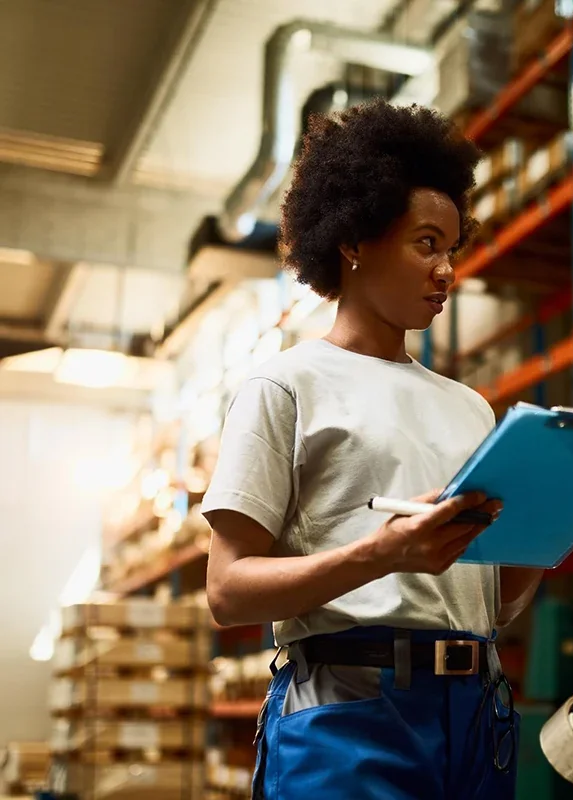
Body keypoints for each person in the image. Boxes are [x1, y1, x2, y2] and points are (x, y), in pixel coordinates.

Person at [200, 99, 544, 800]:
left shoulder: (470, 407)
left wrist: (553, 522)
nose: (447, 269)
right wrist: (379, 554)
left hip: (477, 714)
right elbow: (226, 590)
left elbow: (498, 601)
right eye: (426, 243)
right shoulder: (285, 385)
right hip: (348, 721)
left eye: (453, 248)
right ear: (354, 240)